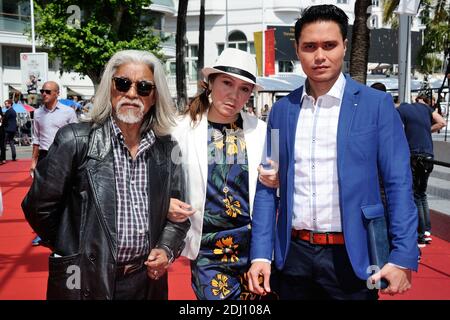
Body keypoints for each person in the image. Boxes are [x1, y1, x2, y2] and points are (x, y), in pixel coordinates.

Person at [248, 4, 419, 300]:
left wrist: (402, 255)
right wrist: (260, 254)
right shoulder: (280, 112)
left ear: (344, 46)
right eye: (309, 46)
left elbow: (399, 184)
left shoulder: (376, 106)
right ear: (298, 50)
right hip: (293, 257)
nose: (319, 56)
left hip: (354, 256)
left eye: (329, 45)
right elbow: (267, 183)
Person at [21, 49, 190, 300]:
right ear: (109, 88)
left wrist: (165, 248)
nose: (132, 94)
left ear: (154, 97)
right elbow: (38, 207)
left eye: (143, 87)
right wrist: (77, 248)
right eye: (122, 83)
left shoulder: (167, 149)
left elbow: (179, 215)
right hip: (84, 281)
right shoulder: (75, 140)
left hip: (145, 284)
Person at [170, 48, 276, 300]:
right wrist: (165, 203)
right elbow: (155, 180)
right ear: (210, 83)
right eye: (227, 83)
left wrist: (279, 181)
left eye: (244, 88)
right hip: (207, 251)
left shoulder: (265, 132)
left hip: (254, 250)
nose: (234, 94)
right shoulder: (178, 130)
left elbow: (275, 189)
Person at [29, 81, 78, 247]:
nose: (44, 94)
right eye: (42, 91)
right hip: (44, 155)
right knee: (40, 197)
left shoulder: (68, 112)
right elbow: (36, 138)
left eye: (48, 91)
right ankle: (41, 232)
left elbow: (76, 136)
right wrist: (33, 161)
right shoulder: (37, 113)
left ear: (57, 93)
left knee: (64, 195)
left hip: (64, 157)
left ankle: (65, 231)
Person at [397, 101, 446, 247]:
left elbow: (396, 131)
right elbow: (442, 122)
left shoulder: (400, 110)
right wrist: (426, 130)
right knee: (422, 194)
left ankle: (420, 233)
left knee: (414, 195)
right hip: (428, 155)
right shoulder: (425, 108)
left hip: (414, 155)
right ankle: (426, 230)